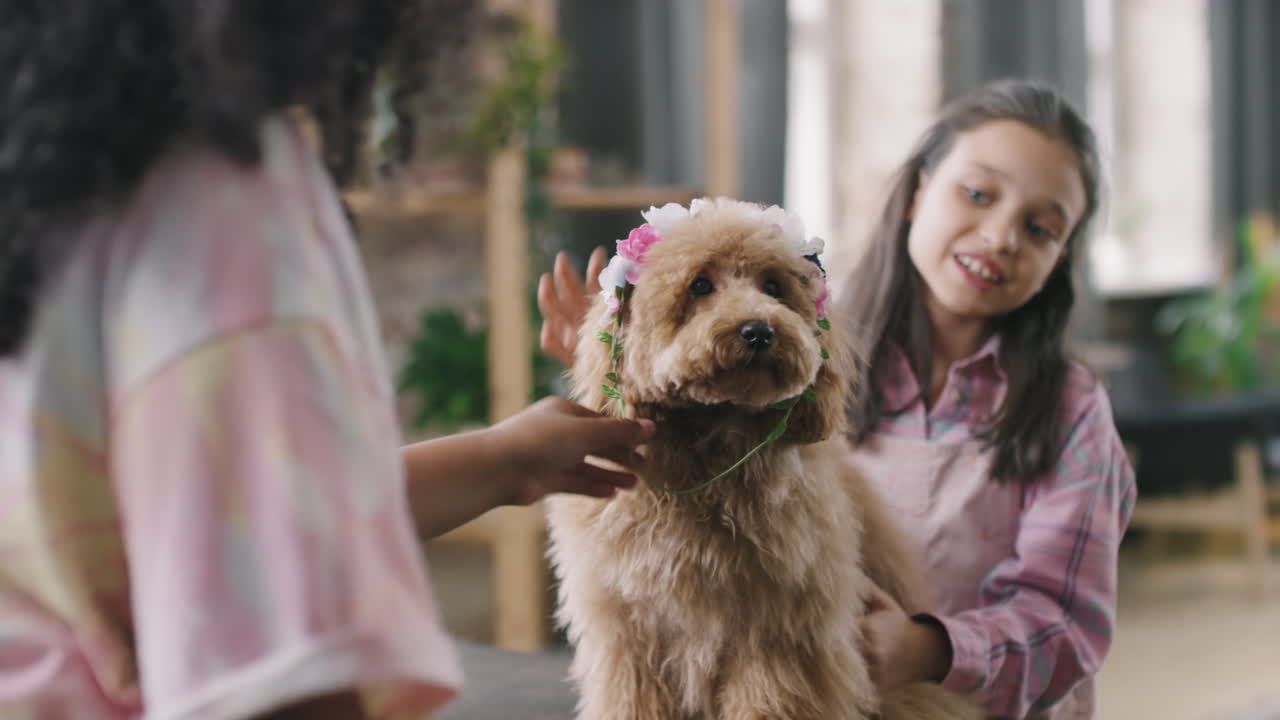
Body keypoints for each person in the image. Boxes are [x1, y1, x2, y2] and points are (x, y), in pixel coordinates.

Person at [0, 2, 651, 718]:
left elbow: (234, 523)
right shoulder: (223, 203)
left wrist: (505, 460)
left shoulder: (45, 155)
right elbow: (282, 678)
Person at [537, 79, 1136, 719]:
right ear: (917, 191)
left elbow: (1067, 622)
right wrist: (628, 356)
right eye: (978, 193)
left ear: (1063, 254)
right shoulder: (822, 338)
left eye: (1040, 227)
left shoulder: (1071, 409)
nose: (1000, 235)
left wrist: (930, 649)